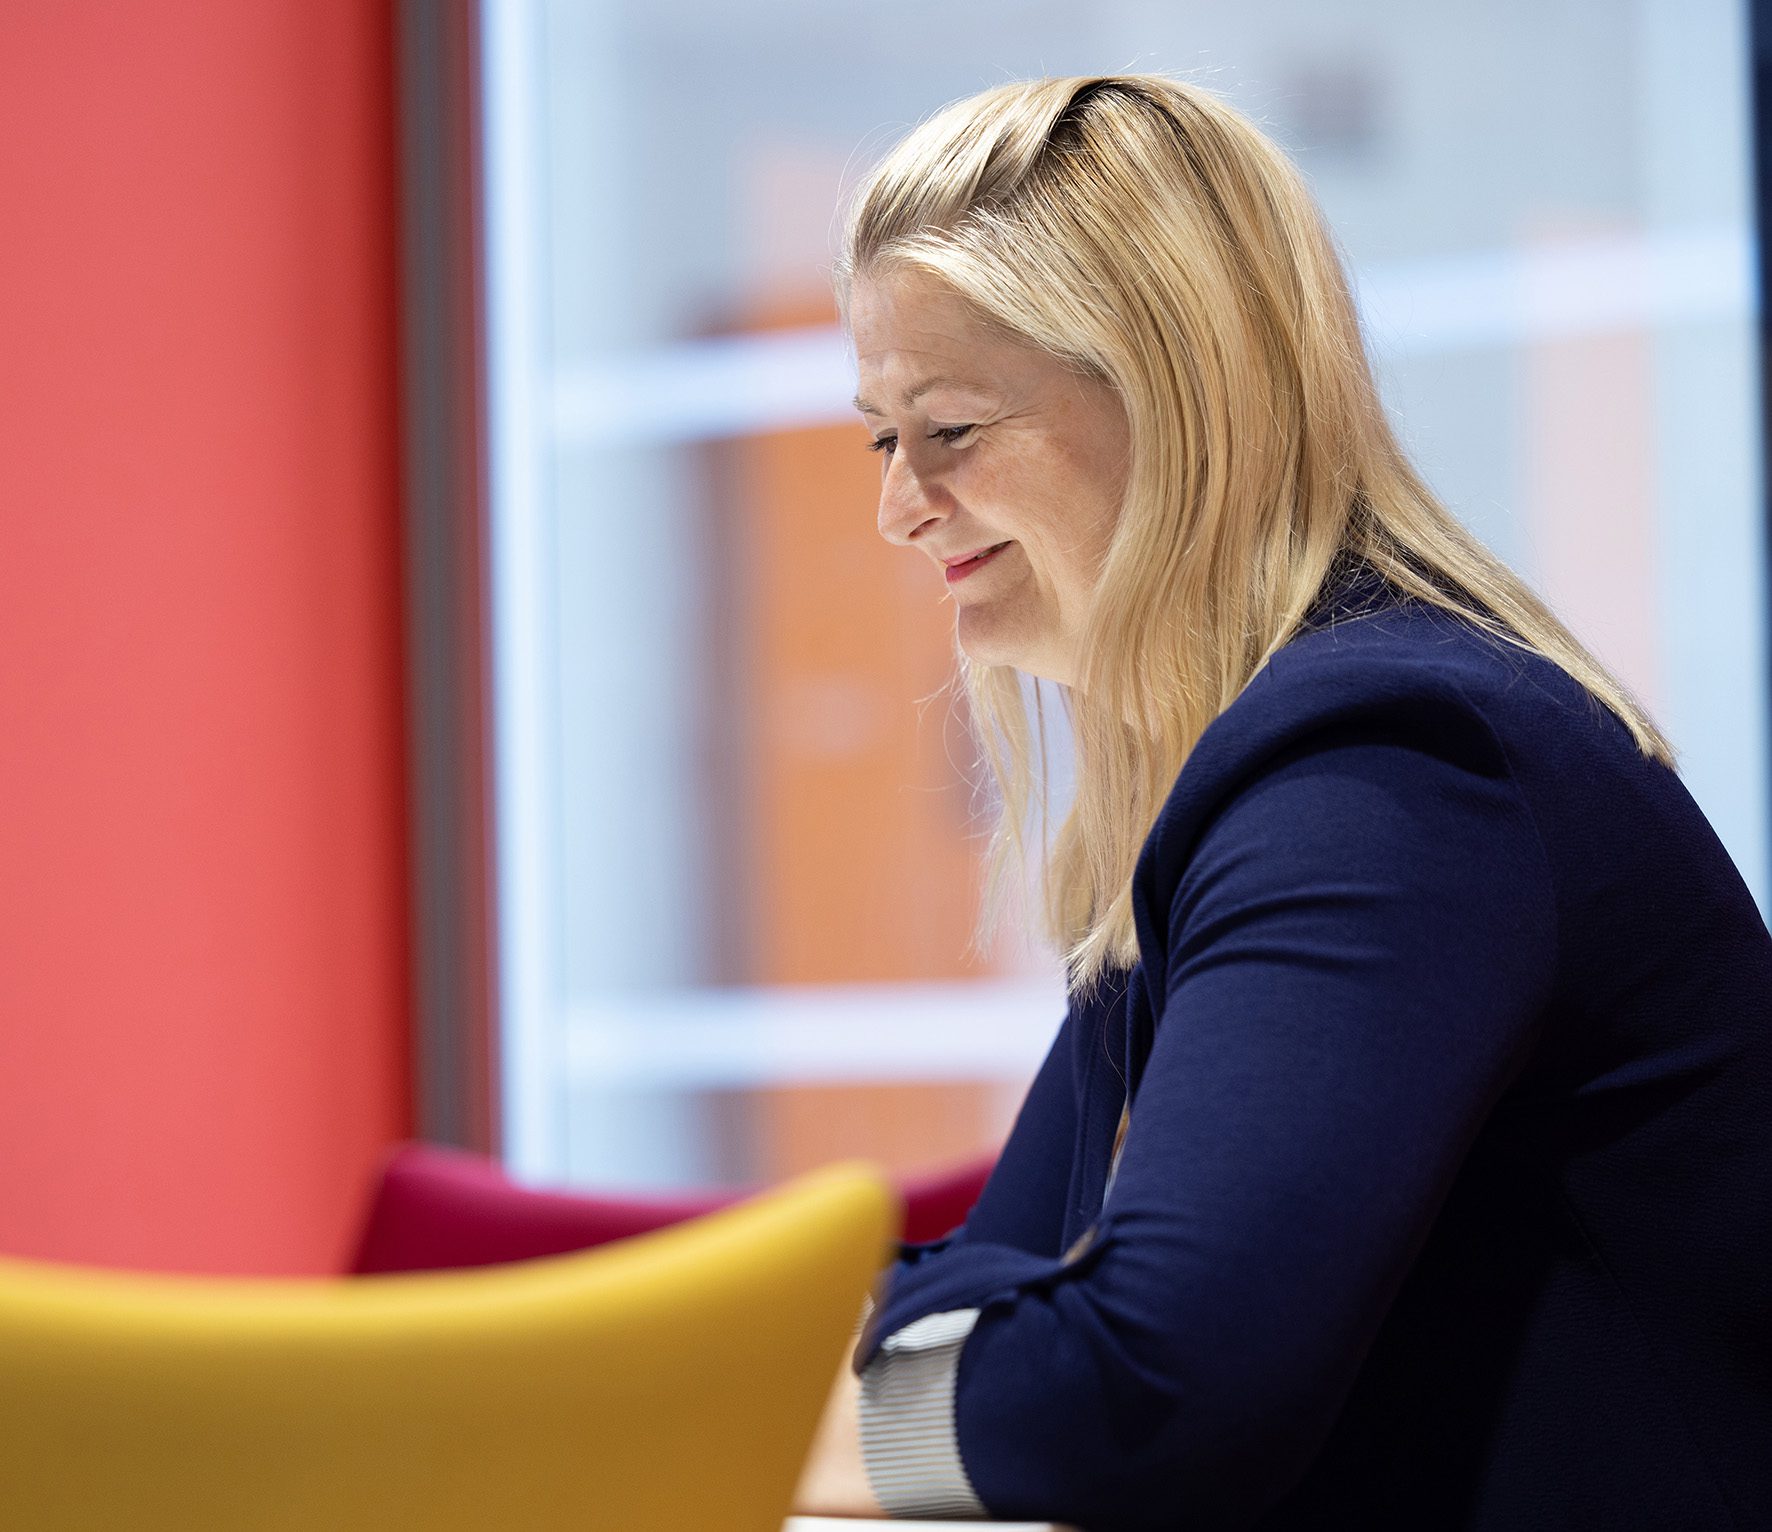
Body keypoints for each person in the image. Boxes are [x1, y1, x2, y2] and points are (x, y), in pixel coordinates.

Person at [789, 73, 1772, 1530]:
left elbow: (1137, 1398)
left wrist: (795, 1415)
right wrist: (975, 1348)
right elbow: (1025, 1285)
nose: (898, 504)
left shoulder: (1382, 771)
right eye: (884, 437)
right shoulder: (1264, 777)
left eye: (949, 429)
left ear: (1180, 400)